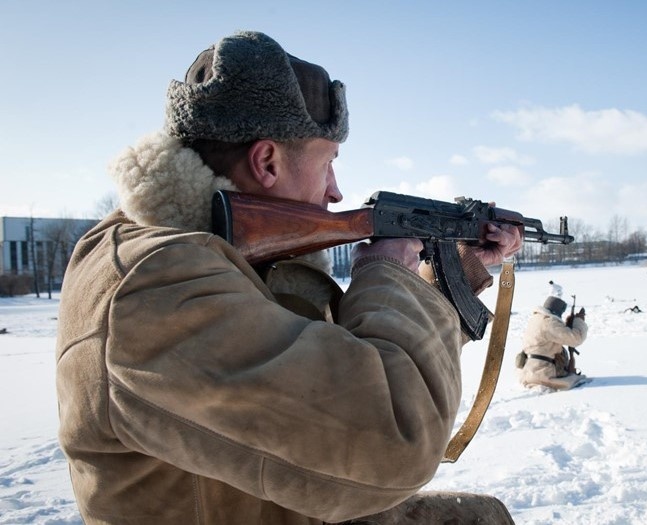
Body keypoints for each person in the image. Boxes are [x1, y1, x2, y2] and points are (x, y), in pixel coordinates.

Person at [55, 31, 521, 524]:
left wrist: (459, 270)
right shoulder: (150, 284)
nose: (337, 192)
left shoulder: (231, 258)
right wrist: (386, 271)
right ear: (267, 162)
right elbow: (395, 441)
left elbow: (345, 370)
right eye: (329, 164)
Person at [517, 296, 589, 391]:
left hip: (528, 372)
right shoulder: (549, 322)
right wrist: (579, 321)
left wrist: (566, 325)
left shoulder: (536, 319)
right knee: (575, 380)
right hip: (543, 373)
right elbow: (576, 339)